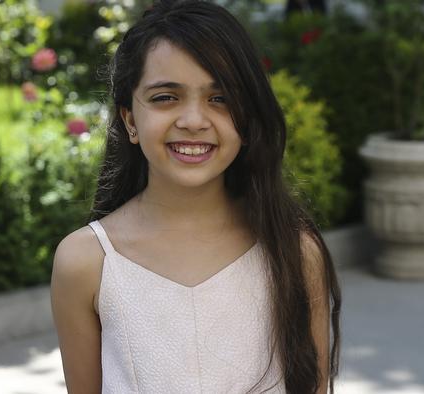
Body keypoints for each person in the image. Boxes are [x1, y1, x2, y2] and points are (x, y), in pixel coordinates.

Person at [49, 0, 342, 393]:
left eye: (220, 98)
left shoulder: (294, 253)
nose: (193, 121)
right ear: (131, 121)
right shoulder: (87, 263)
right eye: (166, 97)